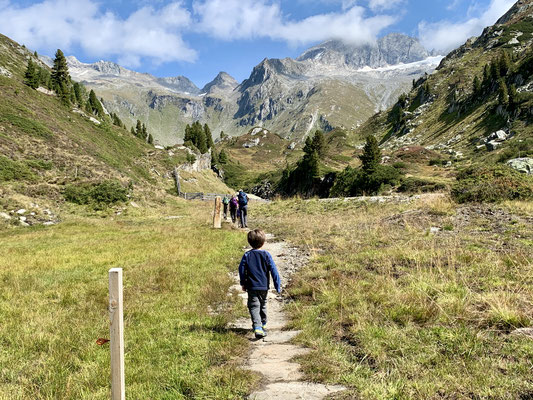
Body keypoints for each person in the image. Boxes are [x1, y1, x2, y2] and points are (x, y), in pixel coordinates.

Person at [238, 229, 281, 338]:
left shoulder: (247, 255)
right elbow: (274, 270)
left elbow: (241, 270)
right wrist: (277, 285)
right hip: (264, 286)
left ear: (249, 242)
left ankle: (257, 327)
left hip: (251, 286)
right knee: (263, 304)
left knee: (253, 306)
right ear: (263, 242)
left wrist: (243, 282)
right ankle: (263, 323)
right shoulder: (266, 255)